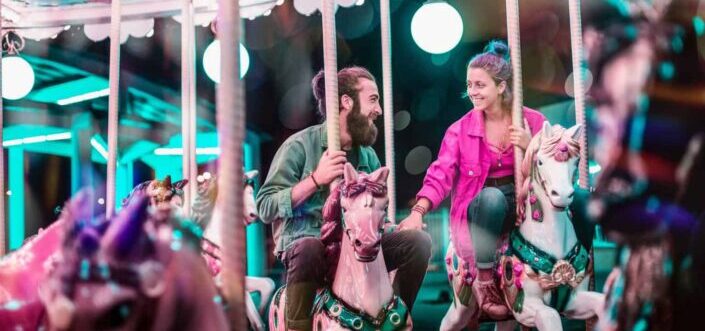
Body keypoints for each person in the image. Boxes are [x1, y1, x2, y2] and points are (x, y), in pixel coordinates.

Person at [256, 66, 432, 331]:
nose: (379, 110)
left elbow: (372, 213)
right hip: (312, 246)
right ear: (346, 102)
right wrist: (315, 179)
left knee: (417, 242)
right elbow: (265, 207)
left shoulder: (367, 156)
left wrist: (396, 227)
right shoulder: (300, 145)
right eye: (373, 99)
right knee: (308, 249)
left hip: (358, 244)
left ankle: (392, 318)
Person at [397, 40, 546, 319]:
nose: (472, 92)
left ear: (501, 86)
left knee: (574, 201)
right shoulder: (460, 130)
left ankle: (574, 273)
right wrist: (419, 211)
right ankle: (486, 278)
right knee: (493, 199)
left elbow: (554, 165)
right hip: (482, 208)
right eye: (469, 85)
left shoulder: (533, 121)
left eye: (480, 85)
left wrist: (530, 145)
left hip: (524, 200)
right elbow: (440, 173)